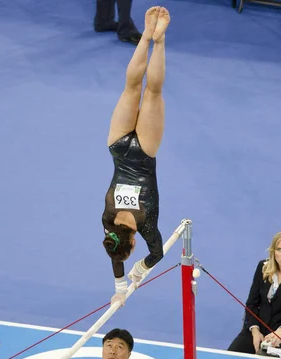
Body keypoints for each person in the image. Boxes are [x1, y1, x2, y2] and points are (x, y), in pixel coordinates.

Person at [101, 7, 170, 306]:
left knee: (153, 92)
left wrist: (138, 272)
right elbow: (113, 254)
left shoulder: (147, 226)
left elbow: (157, 253)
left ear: (132, 241)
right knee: (132, 88)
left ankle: (159, 40)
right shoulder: (107, 220)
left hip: (143, 153)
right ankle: (144, 37)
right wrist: (118, 282)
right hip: (117, 146)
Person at [227, 229, 281, 354]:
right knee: (232, 358)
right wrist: (255, 331)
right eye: (279, 249)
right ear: (273, 252)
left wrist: (280, 332)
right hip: (257, 328)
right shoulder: (263, 267)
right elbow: (251, 303)